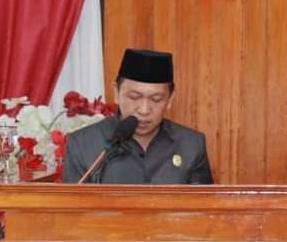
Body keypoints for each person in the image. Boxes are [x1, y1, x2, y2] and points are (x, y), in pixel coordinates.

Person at [63, 48, 214, 184]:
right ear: (116, 93)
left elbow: (204, 211)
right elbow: (74, 211)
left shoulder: (191, 145)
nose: (144, 110)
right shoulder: (82, 145)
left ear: (170, 99)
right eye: (134, 97)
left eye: (156, 99)